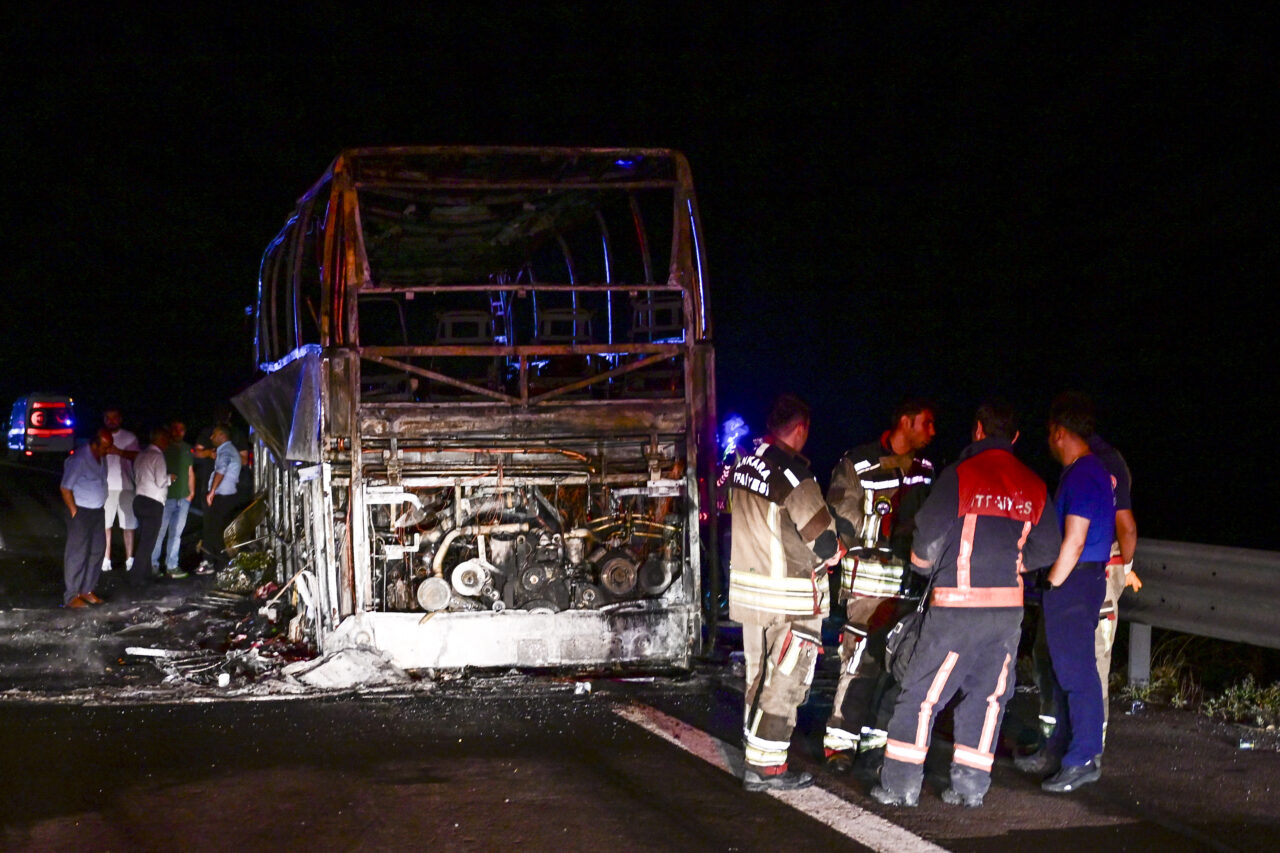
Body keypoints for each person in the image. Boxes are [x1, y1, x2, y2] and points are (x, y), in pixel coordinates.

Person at [871, 401, 1061, 807]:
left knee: (922, 694)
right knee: (989, 697)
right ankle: (970, 788)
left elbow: (925, 541)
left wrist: (926, 567)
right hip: (1007, 613)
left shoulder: (959, 476)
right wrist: (1013, 564)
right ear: (1014, 438)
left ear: (977, 431)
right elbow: (1048, 547)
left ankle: (899, 785)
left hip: (956, 607)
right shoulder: (1034, 484)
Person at [728, 394, 844, 792]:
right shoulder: (793, 475)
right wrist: (837, 549)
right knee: (786, 680)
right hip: (789, 597)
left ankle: (754, 749)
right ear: (801, 429)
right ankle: (767, 767)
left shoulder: (744, 464)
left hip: (751, 595)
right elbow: (825, 543)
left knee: (759, 676)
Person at [822, 400, 936, 774]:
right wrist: (888, 529)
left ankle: (877, 746)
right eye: (927, 423)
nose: (932, 432)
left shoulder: (927, 469)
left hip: (910, 587)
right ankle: (840, 745)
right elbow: (841, 520)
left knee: (898, 670)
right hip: (868, 589)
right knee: (860, 664)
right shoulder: (858, 464)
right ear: (906, 421)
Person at [1027, 392, 1117, 794]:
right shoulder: (1094, 470)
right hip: (1084, 580)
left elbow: (1075, 539)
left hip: (1075, 581)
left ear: (1060, 432)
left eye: (1050, 433)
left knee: (1076, 671)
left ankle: (1082, 757)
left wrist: (1051, 582)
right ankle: (1065, 748)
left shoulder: (1082, 473)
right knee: (1067, 669)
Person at [1088, 432, 1141, 737]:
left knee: (1096, 657)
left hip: (1104, 570)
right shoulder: (1093, 461)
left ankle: (1093, 742)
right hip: (1092, 571)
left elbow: (1126, 527)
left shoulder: (1105, 463)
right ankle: (1061, 737)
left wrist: (1125, 568)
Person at [59, 429, 113, 608]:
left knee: (97, 550)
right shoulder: (80, 459)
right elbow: (65, 488)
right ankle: (71, 596)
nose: (107, 451)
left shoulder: (101, 457)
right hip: (81, 511)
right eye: (104, 447)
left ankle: (86, 590)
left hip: (97, 511)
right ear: (94, 444)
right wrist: (74, 511)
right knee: (77, 553)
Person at [151, 419, 195, 579]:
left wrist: (191, 493)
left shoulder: (187, 449)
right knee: (159, 532)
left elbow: (190, 472)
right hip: (166, 498)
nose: (178, 432)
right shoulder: (163, 448)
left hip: (183, 498)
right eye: (175, 429)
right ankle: (153, 565)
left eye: (181, 429)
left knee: (176, 534)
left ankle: (171, 566)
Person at [129, 426, 171, 588]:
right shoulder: (158, 457)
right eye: (166, 440)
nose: (167, 443)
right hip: (153, 503)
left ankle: (145, 575)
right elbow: (160, 481)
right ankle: (136, 577)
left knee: (144, 539)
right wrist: (170, 478)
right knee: (148, 542)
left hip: (139, 500)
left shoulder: (141, 455)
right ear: (160, 440)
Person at [199, 425, 242, 575]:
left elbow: (221, 470)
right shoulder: (228, 450)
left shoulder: (226, 450)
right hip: (227, 496)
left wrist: (212, 492)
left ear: (222, 436)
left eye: (214, 434)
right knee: (217, 531)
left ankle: (222, 566)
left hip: (222, 497)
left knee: (215, 532)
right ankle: (219, 565)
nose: (211, 438)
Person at [101, 407, 140, 572]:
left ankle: (130, 559)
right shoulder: (100, 436)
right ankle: (106, 559)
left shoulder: (129, 437)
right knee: (105, 525)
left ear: (120, 419)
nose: (111, 421)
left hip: (126, 487)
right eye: (108, 418)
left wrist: (119, 452)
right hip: (105, 488)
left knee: (128, 525)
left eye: (114, 417)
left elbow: (138, 456)